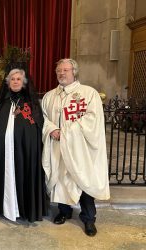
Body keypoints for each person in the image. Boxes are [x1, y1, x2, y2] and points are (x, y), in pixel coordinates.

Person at [41, 58, 110, 236]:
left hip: (80, 149)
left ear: (74, 72)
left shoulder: (88, 93)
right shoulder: (50, 96)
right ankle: (64, 212)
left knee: (83, 179)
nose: (61, 74)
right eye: (59, 71)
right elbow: (44, 118)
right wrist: (52, 129)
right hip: (58, 147)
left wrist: (66, 131)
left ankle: (88, 218)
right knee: (61, 178)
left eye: (65, 70)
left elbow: (92, 119)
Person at [0, 69, 48, 222]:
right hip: (4, 152)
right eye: (12, 79)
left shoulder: (31, 105)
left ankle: (25, 209)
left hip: (25, 153)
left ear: (24, 83)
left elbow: (35, 130)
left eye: (18, 79)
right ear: (8, 83)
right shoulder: (3, 104)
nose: (15, 81)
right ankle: (5, 207)